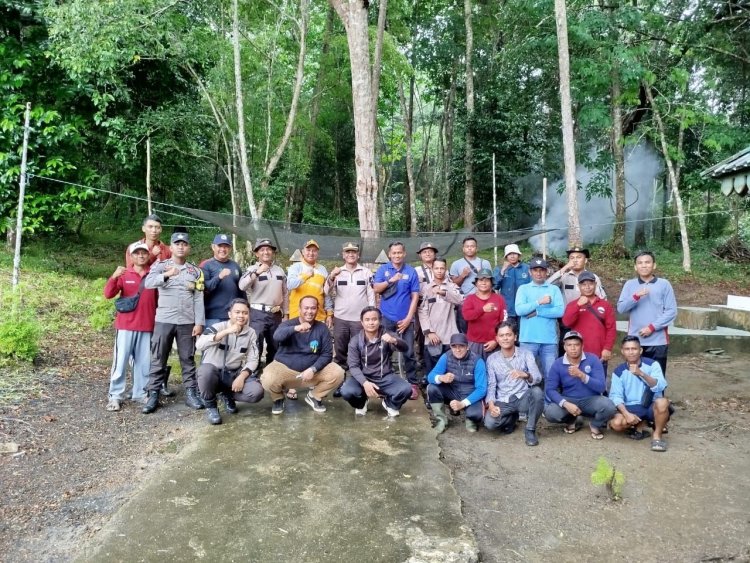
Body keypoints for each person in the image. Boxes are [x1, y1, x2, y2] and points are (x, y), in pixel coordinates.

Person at [141, 232, 206, 414]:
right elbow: (148, 283)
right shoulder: (161, 266)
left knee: (188, 358)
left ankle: (191, 394)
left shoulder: (196, 272)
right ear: (170, 247)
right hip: (164, 320)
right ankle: (153, 394)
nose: (180, 247)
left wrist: (199, 322)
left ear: (188, 248)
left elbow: (198, 299)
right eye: (177, 244)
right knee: (158, 357)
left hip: (187, 321)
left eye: (184, 244)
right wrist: (167, 275)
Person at [260, 296, 344, 415]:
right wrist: (296, 328)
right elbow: (277, 336)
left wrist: (313, 369)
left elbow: (327, 354)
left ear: (317, 309)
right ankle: (278, 398)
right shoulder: (289, 324)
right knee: (267, 378)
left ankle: (315, 396)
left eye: (313, 308)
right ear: (299, 309)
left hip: (312, 373)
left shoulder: (322, 328)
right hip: (286, 371)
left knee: (338, 372)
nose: (309, 311)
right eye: (306, 308)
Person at [103, 242, 158, 411]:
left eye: (144, 253)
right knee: (120, 362)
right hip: (126, 325)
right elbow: (108, 294)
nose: (140, 256)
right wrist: (114, 277)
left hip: (147, 324)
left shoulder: (154, 274)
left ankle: (140, 393)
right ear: (131, 256)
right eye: (137, 253)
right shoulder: (124, 273)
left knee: (144, 363)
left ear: (148, 256)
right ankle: (115, 395)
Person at [195, 299, 264, 425]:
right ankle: (211, 406)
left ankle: (228, 395)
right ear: (229, 314)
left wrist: (242, 377)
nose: (241, 316)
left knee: (256, 392)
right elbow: (199, 345)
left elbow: (253, 359)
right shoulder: (217, 327)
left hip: (233, 373)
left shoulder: (251, 333)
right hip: (214, 373)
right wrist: (225, 332)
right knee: (205, 371)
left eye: (245, 313)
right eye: (237, 312)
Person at [543, 331, 616, 439]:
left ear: (582, 346)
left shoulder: (593, 359)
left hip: (591, 399)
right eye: (569, 345)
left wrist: (582, 376)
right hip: (569, 399)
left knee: (609, 406)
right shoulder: (558, 363)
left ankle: (595, 424)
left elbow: (601, 387)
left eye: (576, 345)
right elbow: (550, 389)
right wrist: (566, 404)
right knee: (550, 412)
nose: (573, 348)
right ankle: (573, 420)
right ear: (564, 347)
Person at [342, 306, 413, 417]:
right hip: (363, 377)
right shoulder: (356, 341)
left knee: (406, 389)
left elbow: (405, 348)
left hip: (384, 377)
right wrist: (364, 383)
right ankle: (361, 403)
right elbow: (353, 366)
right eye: (367, 320)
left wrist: (394, 341)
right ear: (362, 322)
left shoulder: (387, 335)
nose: (371, 323)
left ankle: (390, 404)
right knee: (346, 391)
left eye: (374, 319)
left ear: (380, 321)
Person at [616, 250, 677, 376]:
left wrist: (651, 327)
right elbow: (621, 308)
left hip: (658, 341)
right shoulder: (630, 284)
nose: (644, 265)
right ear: (635, 267)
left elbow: (671, 311)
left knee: (656, 377)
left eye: (647, 262)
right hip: (635, 341)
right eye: (640, 263)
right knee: (634, 376)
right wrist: (636, 296)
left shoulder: (664, 284)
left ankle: (657, 397)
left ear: (654, 265)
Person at [483, 321, 544, 446]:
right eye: (502, 335)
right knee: (490, 423)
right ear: (497, 339)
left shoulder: (526, 354)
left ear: (515, 337)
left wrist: (526, 374)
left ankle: (530, 430)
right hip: (504, 399)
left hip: (522, 397)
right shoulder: (492, 359)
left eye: (509, 334)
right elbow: (491, 385)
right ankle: (512, 418)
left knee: (537, 392)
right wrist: (491, 405)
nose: (505, 338)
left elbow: (538, 378)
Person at [373, 241, 421, 399]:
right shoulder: (384, 269)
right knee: (383, 350)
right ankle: (384, 382)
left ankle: (413, 383)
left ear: (404, 253)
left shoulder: (411, 271)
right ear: (389, 254)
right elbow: (376, 288)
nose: (397, 255)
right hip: (386, 318)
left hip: (405, 320)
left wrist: (409, 318)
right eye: (393, 253)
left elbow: (415, 296)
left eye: (399, 252)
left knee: (408, 352)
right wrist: (391, 280)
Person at [608, 335, 671, 451]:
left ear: (640, 350)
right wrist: (626, 414)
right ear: (622, 351)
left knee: (663, 402)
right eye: (627, 349)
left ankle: (657, 436)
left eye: (634, 349)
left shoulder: (652, 364)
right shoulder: (619, 371)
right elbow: (615, 396)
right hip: (631, 406)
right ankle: (640, 424)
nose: (631, 352)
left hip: (650, 405)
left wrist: (642, 374)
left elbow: (661, 385)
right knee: (616, 424)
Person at [325, 242, 375, 377]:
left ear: (358, 255)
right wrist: (331, 277)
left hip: (360, 320)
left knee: (360, 349)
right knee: (340, 351)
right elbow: (326, 291)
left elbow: (371, 294)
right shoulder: (337, 272)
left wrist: (371, 315)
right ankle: (340, 380)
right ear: (343, 255)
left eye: (353, 252)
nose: (351, 254)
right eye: (347, 252)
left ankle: (358, 380)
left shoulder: (366, 272)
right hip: (341, 319)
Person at [239, 238, 288, 367]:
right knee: (256, 344)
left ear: (272, 252)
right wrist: (257, 272)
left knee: (275, 344)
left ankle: (271, 375)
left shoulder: (280, 271)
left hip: (276, 314)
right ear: (257, 253)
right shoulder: (252, 269)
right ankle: (252, 374)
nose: (266, 252)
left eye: (268, 249)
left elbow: (285, 293)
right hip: (258, 314)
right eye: (262, 250)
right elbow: (242, 286)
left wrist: (286, 314)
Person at [514, 257, 564, 379]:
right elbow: (520, 310)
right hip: (528, 339)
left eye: (541, 270)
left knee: (550, 376)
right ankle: (529, 398)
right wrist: (538, 302)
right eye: (535, 270)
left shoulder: (554, 289)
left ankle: (548, 399)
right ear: (530, 272)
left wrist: (537, 312)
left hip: (549, 341)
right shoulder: (523, 289)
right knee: (526, 374)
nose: (538, 273)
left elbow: (560, 311)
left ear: (546, 272)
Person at [427, 333, 488, 433]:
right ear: (450, 346)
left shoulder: (477, 360)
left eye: (461, 346)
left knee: (477, 414)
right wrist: (441, 377)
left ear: (467, 347)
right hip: (452, 391)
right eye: (454, 346)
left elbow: (482, 389)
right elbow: (430, 376)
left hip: (470, 394)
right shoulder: (446, 356)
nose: (457, 350)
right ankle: (441, 420)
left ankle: (470, 420)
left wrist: (462, 404)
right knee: (432, 387)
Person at [561, 271, 616, 370]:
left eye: (590, 284)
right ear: (578, 286)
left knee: (598, 383)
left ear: (595, 284)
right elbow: (566, 322)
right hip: (577, 354)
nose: (587, 287)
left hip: (599, 354)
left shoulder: (605, 305)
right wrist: (578, 305)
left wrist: (607, 348)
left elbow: (611, 328)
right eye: (584, 284)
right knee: (577, 383)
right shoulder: (572, 305)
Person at [418, 257, 462, 374]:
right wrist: (429, 332)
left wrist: (443, 292)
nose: (439, 271)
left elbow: (461, 300)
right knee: (432, 371)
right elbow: (422, 311)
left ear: (446, 269)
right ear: (432, 269)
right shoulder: (426, 289)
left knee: (451, 370)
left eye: (442, 268)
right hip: (432, 337)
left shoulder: (452, 286)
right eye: (436, 268)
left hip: (450, 334)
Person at [462, 268, 507, 360]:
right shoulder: (470, 299)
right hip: (474, 343)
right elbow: (466, 316)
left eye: (487, 280)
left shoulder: (499, 299)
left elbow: (504, 321)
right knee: (475, 369)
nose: (484, 283)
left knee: (495, 370)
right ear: (476, 283)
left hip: (494, 342)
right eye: (481, 280)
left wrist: (496, 340)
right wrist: (482, 309)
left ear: (491, 283)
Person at [450, 237, 492, 333]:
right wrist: (463, 275)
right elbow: (453, 284)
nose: (469, 248)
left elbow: (490, 283)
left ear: (476, 248)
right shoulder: (456, 264)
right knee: (464, 328)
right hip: (464, 301)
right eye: (467, 246)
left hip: (482, 300)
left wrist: (480, 273)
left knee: (482, 327)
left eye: (472, 246)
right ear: (463, 248)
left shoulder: (484, 263)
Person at [200, 234, 243, 328]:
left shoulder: (235, 266)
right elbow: (205, 288)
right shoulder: (206, 265)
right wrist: (219, 277)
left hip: (233, 315)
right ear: (213, 247)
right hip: (213, 317)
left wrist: (244, 310)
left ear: (230, 248)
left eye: (226, 246)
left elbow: (241, 291)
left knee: (232, 343)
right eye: (220, 246)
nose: (223, 249)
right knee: (213, 342)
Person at [287, 239, 333, 324]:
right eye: (308, 250)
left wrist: (329, 313)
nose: (311, 253)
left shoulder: (322, 269)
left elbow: (326, 293)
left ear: (317, 253)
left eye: (314, 251)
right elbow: (290, 285)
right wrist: (305, 276)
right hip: (297, 316)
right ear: (303, 252)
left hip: (318, 317)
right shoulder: (296, 267)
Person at [493, 243, 531, 329]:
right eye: (509, 254)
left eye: (514, 253)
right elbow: (495, 285)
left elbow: (532, 286)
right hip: (507, 308)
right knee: (508, 331)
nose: (512, 256)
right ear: (506, 256)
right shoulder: (499, 269)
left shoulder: (527, 268)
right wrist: (502, 271)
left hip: (524, 308)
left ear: (519, 255)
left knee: (523, 332)